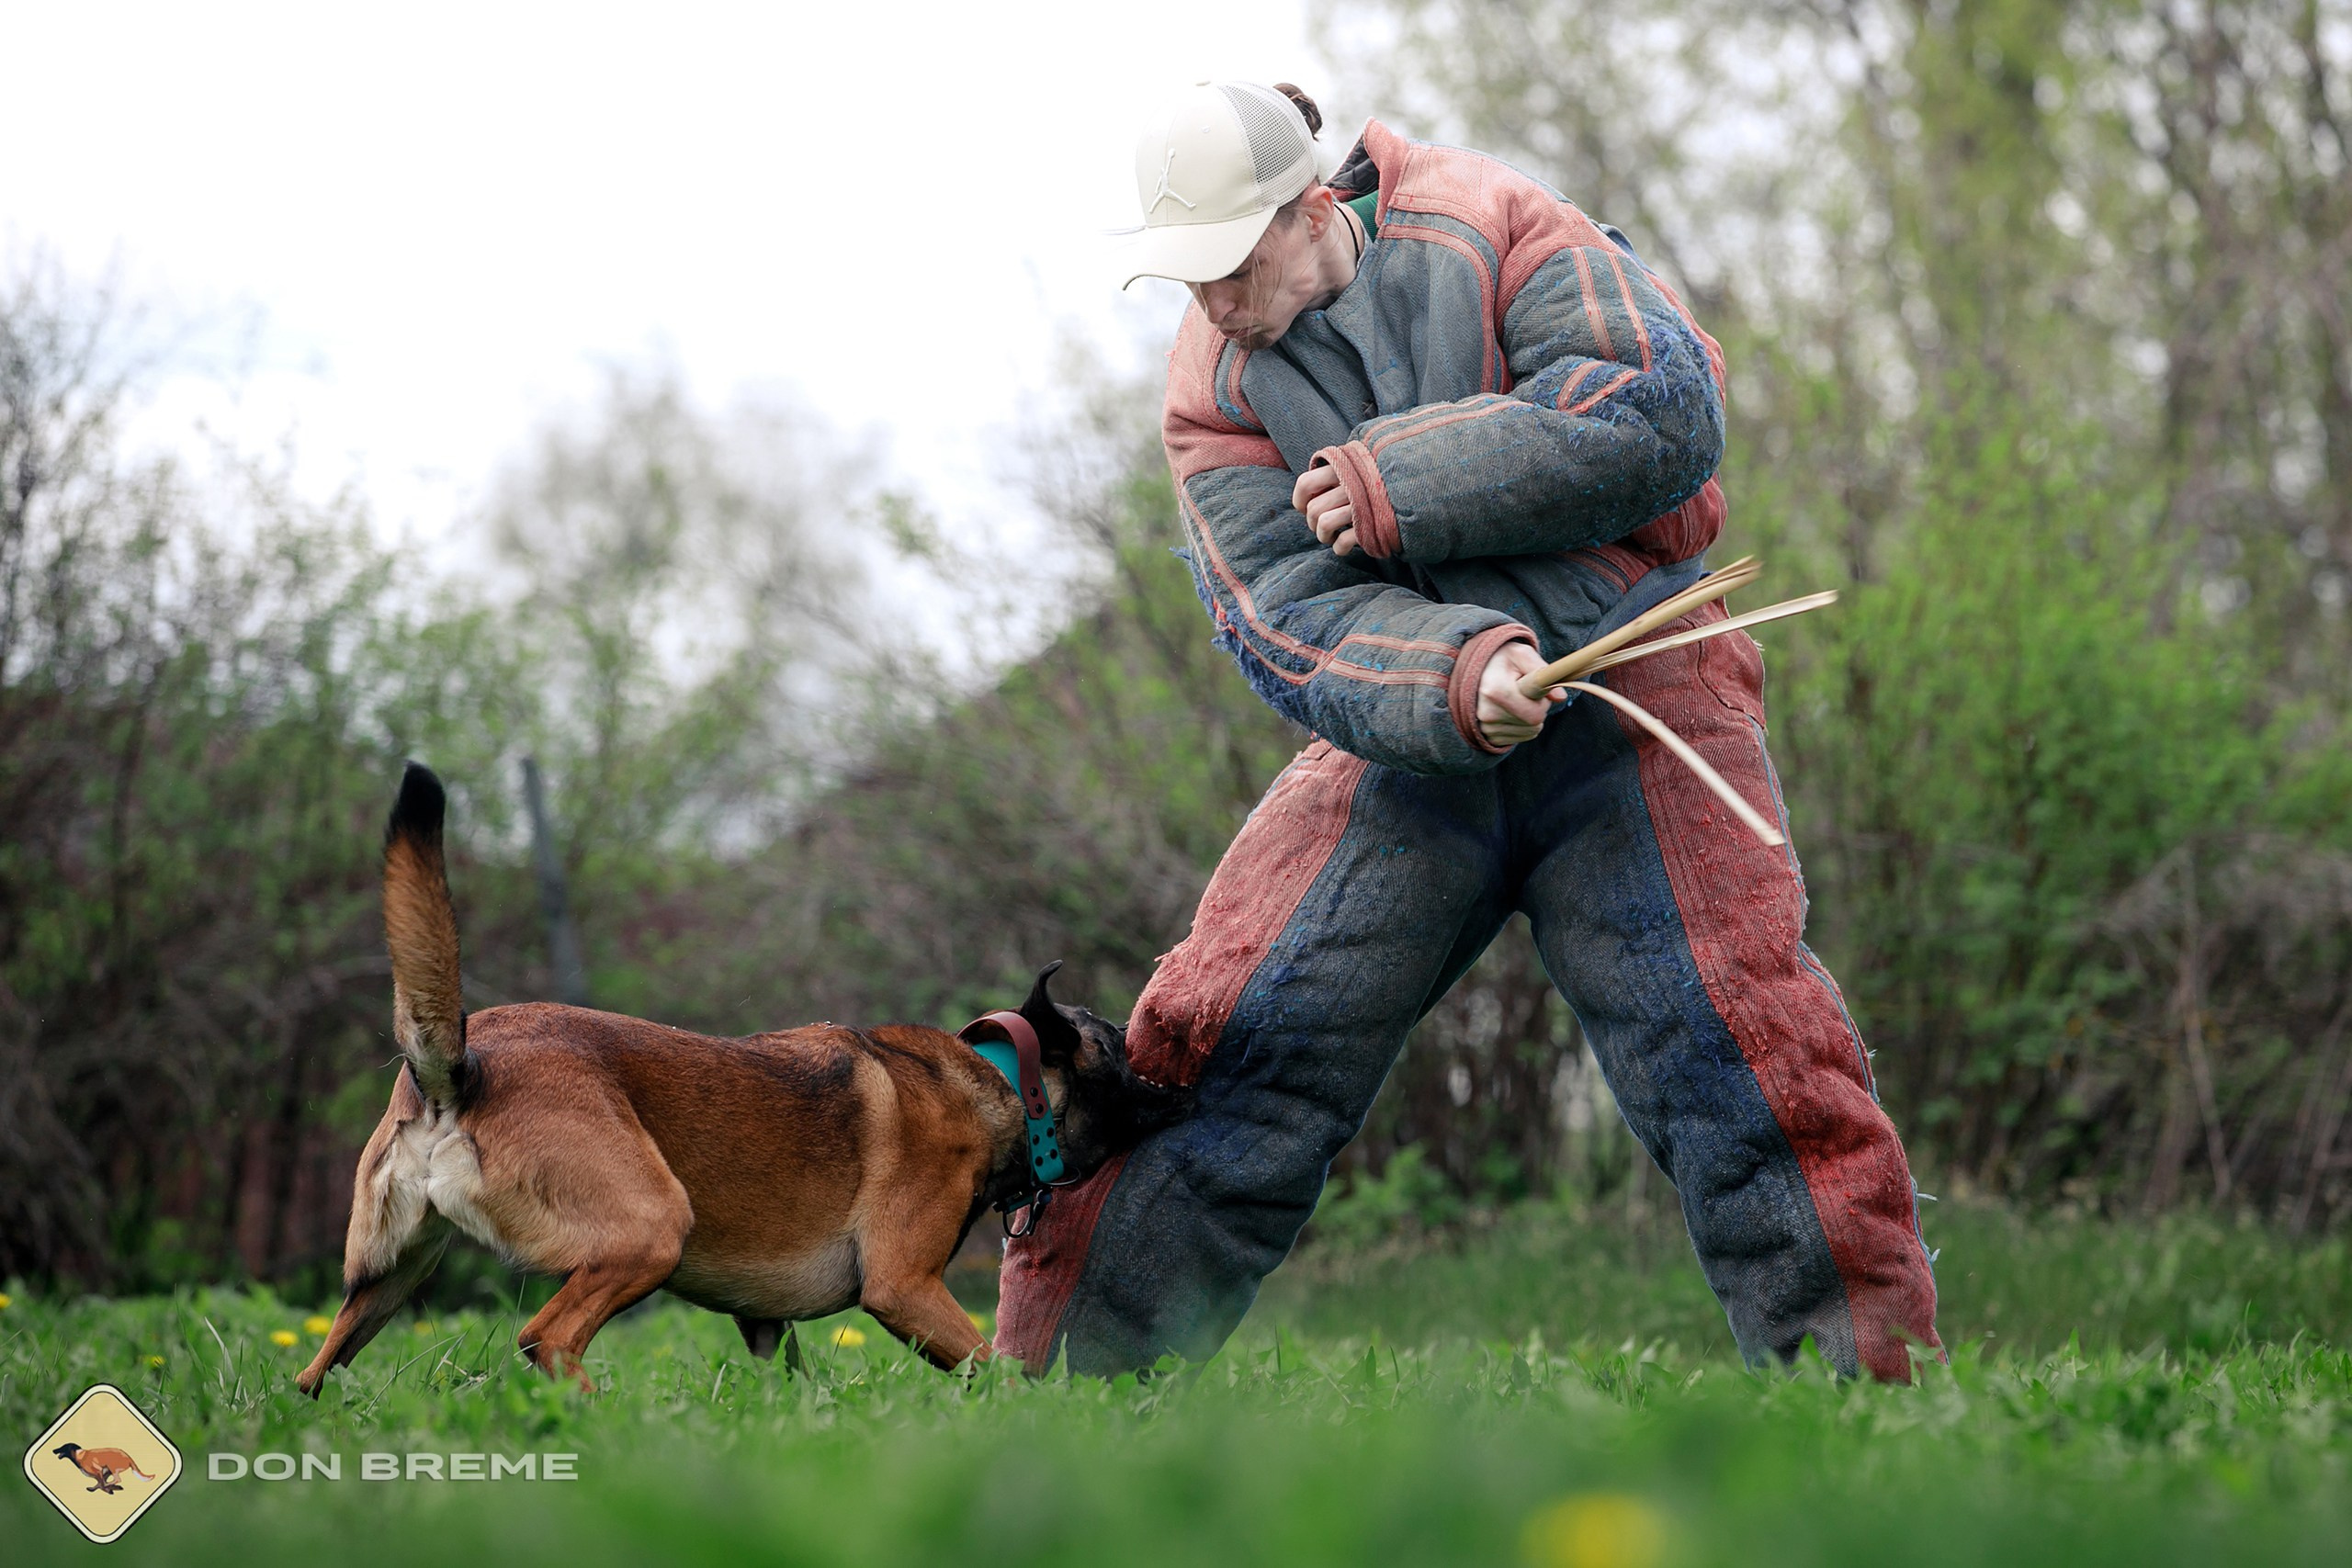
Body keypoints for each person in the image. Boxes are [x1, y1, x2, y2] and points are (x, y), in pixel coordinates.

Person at [995, 80, 1940, 1382]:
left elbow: (1657, 411)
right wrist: (1457, 671)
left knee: (1741, 1039)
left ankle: (1872, 1389)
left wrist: (1398, 487)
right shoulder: (1212, 392)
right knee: (1222, 1036)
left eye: (1225, 264)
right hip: (1405, 739)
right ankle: (1056, 1397)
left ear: (1310, 208)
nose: (1208, 303)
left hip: (1638, 686)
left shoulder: (1497, 219)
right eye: (1181, 276)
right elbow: (1282, 615)